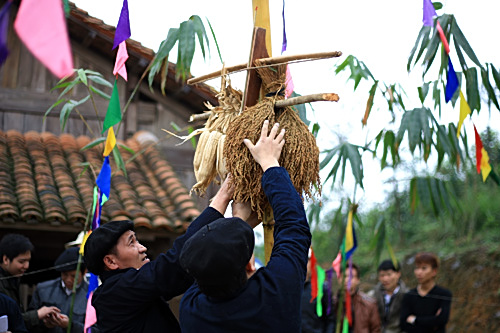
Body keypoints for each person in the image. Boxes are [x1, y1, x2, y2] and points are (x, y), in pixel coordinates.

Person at [179, 120, 312, 332]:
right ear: (249, 264)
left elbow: (294, 233)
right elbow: (294, 230)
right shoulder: (275, 293)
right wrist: (269, 162)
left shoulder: (192, 313)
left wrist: (238, 225)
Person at [83, 167, 236, 332]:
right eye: (131, 243)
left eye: (137, 240)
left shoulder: (134, 291)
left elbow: (182, 275)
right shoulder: (115, 293)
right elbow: (173, 264)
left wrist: (239, 224)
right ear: (111, 261)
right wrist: (223, 196)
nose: (143, 248)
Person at [0, 234, 59, 330]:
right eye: (22, 262)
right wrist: (37, 314)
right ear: (6, 259)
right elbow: (13, 320)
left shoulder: (13, 280)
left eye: (28, 261)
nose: (26, 266)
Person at [28, 247, 88, 333]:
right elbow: (29, 322)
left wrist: (70, 326)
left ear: (84, 272)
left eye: (73, 276)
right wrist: (44, 323)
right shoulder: (43, 289)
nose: (68, 279)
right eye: (64, 274)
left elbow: (94, 329)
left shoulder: (91, 295)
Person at [400, 252, 452, 333]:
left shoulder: (444, 294)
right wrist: (432, 323)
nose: (419, 272)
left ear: (434, 271)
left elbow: (442, 320)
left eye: (424, 268)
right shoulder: (409, 295)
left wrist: (415, 320)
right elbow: (403, 324)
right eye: (417, 268)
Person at [335, 263, 381, 333]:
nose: (347, 280)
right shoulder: (332, 303)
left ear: (358, 280)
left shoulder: (369, 304)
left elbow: (375, 329)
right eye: (344, 276)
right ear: (339, 279)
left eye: (351, 277)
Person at [371, 260, 408, 333]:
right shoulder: (373, 295)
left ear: (398, 274)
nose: (385, 279)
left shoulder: (407, 295)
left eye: (389, 274)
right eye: (382, 275)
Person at [301, 255, 335, 333]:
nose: (304, 263)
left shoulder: (323, 288)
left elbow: (330, 319)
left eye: (307, 260)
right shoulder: (289, 287)